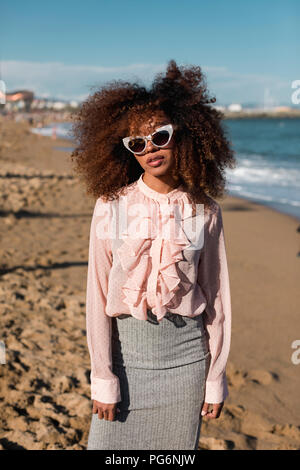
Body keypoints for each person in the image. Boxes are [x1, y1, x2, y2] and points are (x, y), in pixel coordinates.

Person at [70, 60, 236, 450]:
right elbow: (96, 295)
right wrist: (104, 377)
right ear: (127, 149)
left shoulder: (206, 211)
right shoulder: (110, 205)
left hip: (187, 366)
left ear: (184, 134)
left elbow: (217, 300)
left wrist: (215, 378)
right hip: (125, 364)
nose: (150, 149)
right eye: (137, 143)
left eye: (160, 136)